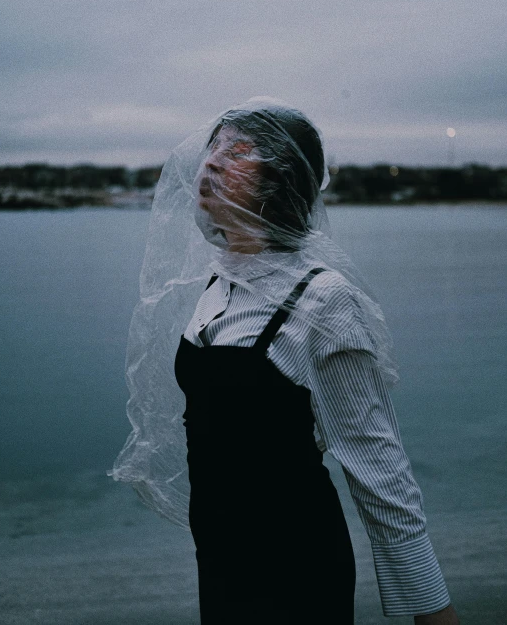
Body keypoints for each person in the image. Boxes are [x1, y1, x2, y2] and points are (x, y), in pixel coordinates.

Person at [111, 101, 459, 624]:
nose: (212, 164)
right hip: (221, 557)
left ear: (281, 181)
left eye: (240, 152)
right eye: (214, 148)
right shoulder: (221, 281)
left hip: (295, 564)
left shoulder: (323, 300)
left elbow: (377, 465)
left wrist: (432, 611)